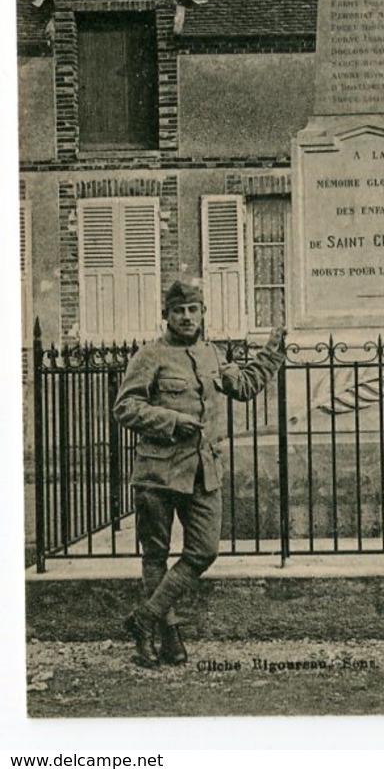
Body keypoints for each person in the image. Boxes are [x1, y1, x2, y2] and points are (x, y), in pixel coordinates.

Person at [114, 279, 284, 669]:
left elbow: (243, 386)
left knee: (204, 550)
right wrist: (171, 420)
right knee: (155, 554)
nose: (186, 317)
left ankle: (144, 620)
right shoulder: (149, 356)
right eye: (178, 311)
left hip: (202, 472)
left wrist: (272, 353)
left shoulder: (212, 354)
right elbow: (125, 408)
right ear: (167, 316)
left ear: (202, 312)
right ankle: (166, 639)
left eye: (193, 310)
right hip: (157, 473)